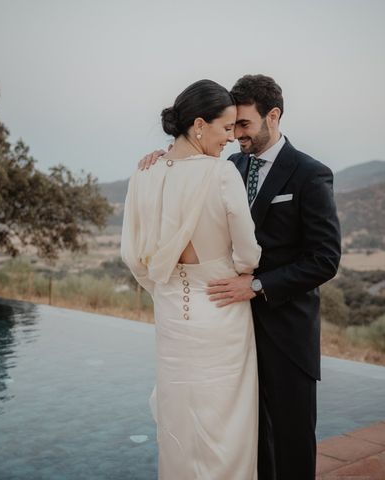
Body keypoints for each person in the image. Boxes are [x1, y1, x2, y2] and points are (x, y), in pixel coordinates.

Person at [140, 74, 341, 480]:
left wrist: (258, 284)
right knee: (249, 441)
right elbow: (192, 174)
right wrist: (165, 157)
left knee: (291, 439)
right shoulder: (228, 165)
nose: (236, 135)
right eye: (230, 126)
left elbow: (324, 259)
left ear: (274, 116)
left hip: (285, 331)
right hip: (232, 333)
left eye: (244, 125)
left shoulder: (310, 174)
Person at [121, 79, 262, 480]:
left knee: (179, 420)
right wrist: (238, 271)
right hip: (222, 310)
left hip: (171, 315)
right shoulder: (221, 175)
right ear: (199, 125)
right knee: (226, 424)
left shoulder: (143, 174)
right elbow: (248, 253)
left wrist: (161, 287)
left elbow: (133, 256)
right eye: (226, 128)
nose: (232, 138)